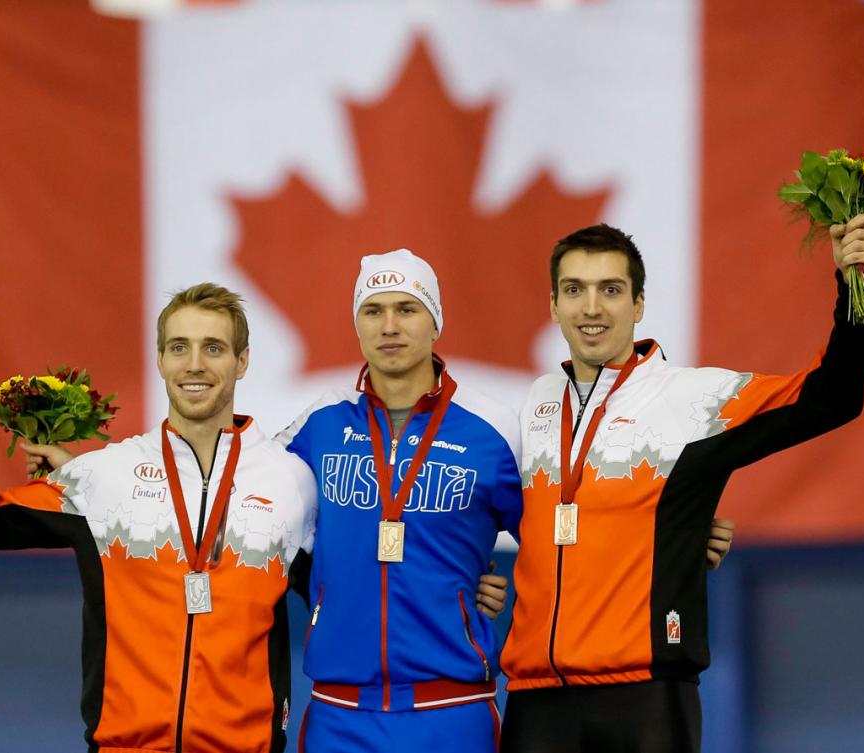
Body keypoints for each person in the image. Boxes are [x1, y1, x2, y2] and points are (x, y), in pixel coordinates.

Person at [277, 249, 736, 752]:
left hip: (452, 713)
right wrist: (325, 596)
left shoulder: (496, 430)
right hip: (338, 715)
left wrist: (671, 533)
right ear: (357, 325)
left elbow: (569, 536)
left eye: (407, 309)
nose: (390, 325)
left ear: (436, 323)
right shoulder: (315, 425)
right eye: (373, 310)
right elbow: (256, 524)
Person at [0, 283, 317, 753]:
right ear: (160, 360)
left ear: (243, 361)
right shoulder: (102, 478)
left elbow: (347, 601)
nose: (195, 364)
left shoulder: (291, 483)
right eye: (179, 347)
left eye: (213, 347)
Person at [499, 216, 864, 752]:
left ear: (638, 304)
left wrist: (856, 284)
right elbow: (487, 514)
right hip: (535, 702)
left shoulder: (695, 401)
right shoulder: (534, 404)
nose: (591, 308)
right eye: (574, 290)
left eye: (610, 290)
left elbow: (832, 396)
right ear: (554, 305)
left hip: (646, 698)